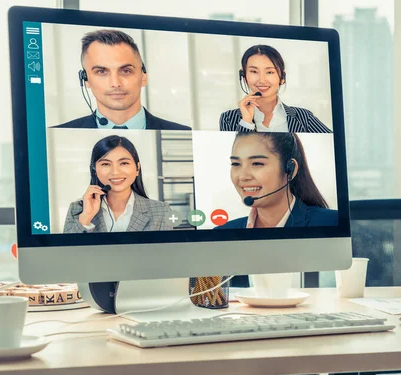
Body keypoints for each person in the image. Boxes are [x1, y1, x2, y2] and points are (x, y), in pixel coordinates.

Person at [55, 29, 190, 130]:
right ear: (86, 80)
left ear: (143, 77)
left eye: (126, 71)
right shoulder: (55, 135)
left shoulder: (185, 134)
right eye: (101, 72)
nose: (115, 83)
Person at [216, 131, 337, 229]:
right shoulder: (223, 231)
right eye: (236, 164)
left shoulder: (331, 223)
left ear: (290, 169)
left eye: (257, 163)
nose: (243, 176)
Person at [64, 135, 174, 233]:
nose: (115, 172)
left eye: (124, 163)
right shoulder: (77, 210)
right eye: (106, 164)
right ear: (95, 171)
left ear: (137, 168)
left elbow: (166, 254)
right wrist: (86, 217)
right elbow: (66, 252)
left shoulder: (161, 211)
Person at [219, 44, 332, 134]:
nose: (261, 79)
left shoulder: (304, 117)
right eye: (254, 71)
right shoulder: (229, 118)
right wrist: (246, 122)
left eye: (269, 72)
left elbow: (334, 146)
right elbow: (235, 155)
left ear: (282, 78)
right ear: (244, 77)